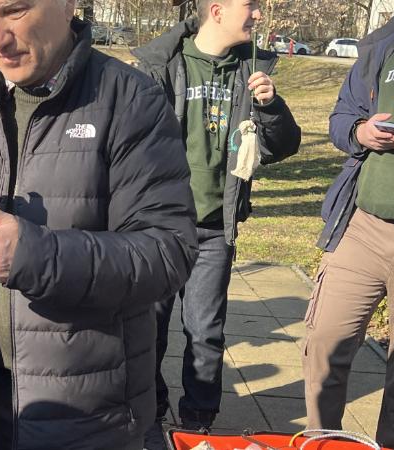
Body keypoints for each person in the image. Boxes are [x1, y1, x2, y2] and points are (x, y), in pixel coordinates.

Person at [0, 0, 198, 447]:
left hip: (87, 410)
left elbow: (168, 252)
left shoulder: (130, 99)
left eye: (13, 11)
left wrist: (32, 257)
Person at [131, 0, 301, 440]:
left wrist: (271, 106)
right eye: (252, 5)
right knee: (148, 329)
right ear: (218, 9)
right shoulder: (163, 65)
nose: (259, 15)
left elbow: (281, 147)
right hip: (158, 227)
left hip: (215, 227)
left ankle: (198, 423)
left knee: (205, 333)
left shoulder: (253, 70)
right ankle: (152, 414)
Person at [305, 2, 394, 448]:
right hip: (362, 227)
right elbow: (341, 117)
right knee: (325, 342)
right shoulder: (389, 38)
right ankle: (322, 442)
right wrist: (359, 131)